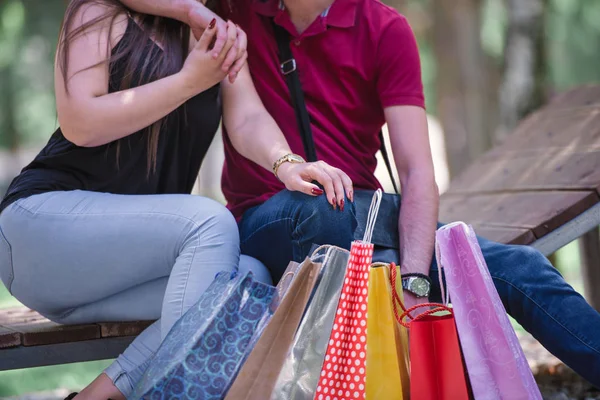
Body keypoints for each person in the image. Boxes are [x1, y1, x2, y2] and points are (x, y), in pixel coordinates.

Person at [121, 0, 600, 387]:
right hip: (270, 217)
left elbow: (416, 171)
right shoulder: (236, 12)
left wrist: (414, 279)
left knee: (520, 268)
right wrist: (196, 13)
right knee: (322, 213)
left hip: (366, 219)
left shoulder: (384, 28)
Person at [0, 0, 353, 399]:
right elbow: (80, 123)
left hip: (109, 275)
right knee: (209, 221)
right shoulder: (99, 12)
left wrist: (286, 163)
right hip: (40, 231)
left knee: (246, 281)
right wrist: (190, 78)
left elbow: (247, 118)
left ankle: (95, 395)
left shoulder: (217, 33)